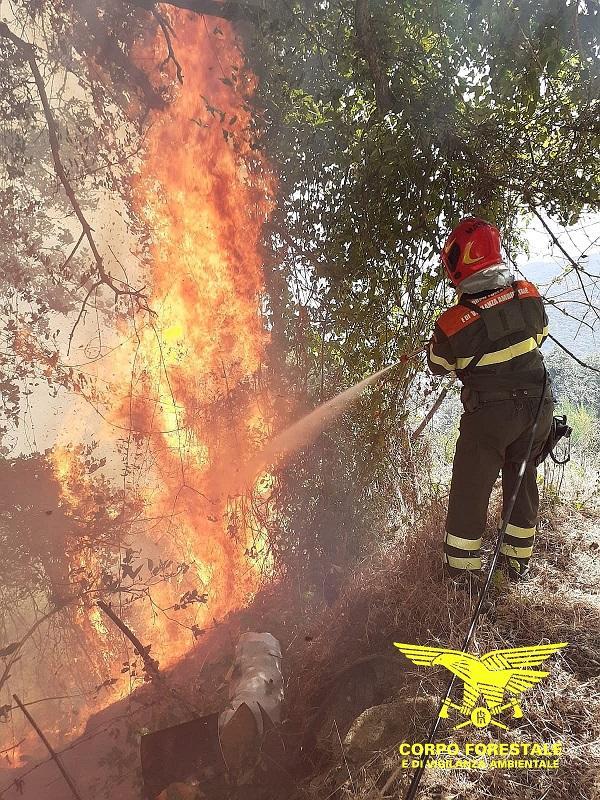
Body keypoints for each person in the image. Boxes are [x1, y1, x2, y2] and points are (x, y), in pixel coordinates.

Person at [427, 217, 554, 581]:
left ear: (462, 261)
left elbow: (438, 364)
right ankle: (517, 564)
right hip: (538, 408)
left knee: (470, 486)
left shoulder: (454, 322)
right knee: (523, 474)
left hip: (491, 418)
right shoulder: (527, 293)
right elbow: (540, 335)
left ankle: (461, 573)